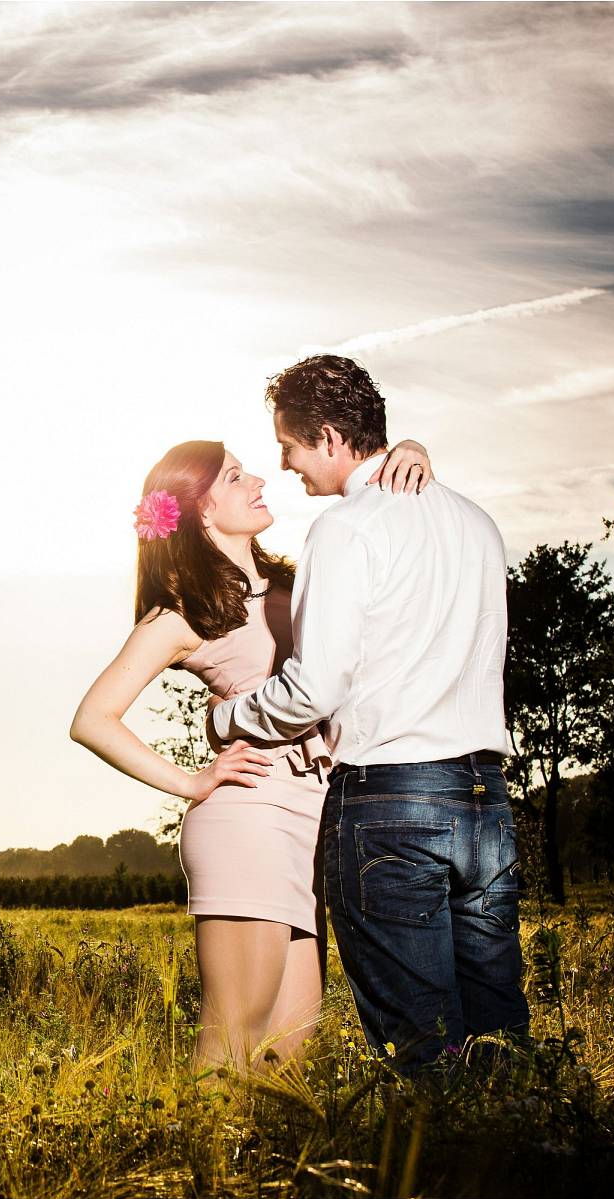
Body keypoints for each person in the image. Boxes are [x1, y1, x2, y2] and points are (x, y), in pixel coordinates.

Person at [208, 354, 531, 1074]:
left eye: (289, 445)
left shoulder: (346, 531)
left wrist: (228, 719)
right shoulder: (477, 522)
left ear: (327, 436)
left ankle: (443, 1179)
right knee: (499, 1032)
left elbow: (312, 690)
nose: (285, 463)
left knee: (424, 1049)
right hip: (486, 801)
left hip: (393, 798)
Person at [69, 434, 431, 1073]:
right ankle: (196, 1170)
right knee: (232, 1045)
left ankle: (256, 1171)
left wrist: (410, 450)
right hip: (249, 819)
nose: (259, 480)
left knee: (290, 1054)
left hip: (315, 817)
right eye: (236, 477)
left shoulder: (299, 581)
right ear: (202, 510)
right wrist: (193, 782)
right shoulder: (181, 613)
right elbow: (93, 719)